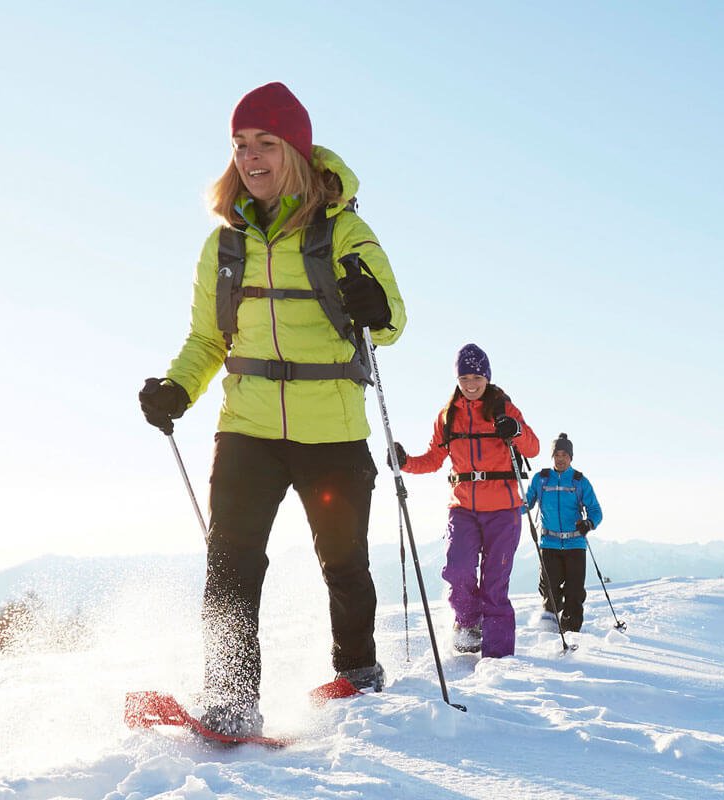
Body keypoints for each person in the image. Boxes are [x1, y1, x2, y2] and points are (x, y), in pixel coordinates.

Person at [136, 82, 405, 738]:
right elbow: (208, 341)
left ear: (296, 149)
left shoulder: (344, 229)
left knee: (343, 563)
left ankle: (357, 674)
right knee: (230, 562)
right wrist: (177, 388)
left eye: (265, 143)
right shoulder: (224, 246)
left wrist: (373, 306)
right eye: (240, 146)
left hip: (332, 427)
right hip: (248, 425)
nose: (250, 157)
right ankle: (230, 697)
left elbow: (392, 321)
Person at [392, 343, 539, 658]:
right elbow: (433, 459)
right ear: (457, 380)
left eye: (476, 377)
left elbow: (533, 448)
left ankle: (498, 661)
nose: (471, 384)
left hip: (503, 510)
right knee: (457, 571)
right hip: (463, 510)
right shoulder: (448, 416)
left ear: (486, 376)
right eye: (464, 378)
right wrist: (404, 461)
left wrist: (515, 430)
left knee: (495, 585)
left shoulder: (504, 409)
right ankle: (469, 623)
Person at [524, 433, 603, 633]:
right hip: (549, 543)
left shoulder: (579, 481)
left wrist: (589, 523)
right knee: (549, 590)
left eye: (564, 455)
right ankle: (549, 629)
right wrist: (509, 506)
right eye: (557, 454)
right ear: (552, 456)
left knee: (574, 593)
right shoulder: (541, 479)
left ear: (571, 457)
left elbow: (596, 511)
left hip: (575, 544)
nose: (560, 458)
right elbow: (526, 504)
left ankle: (571, 632)